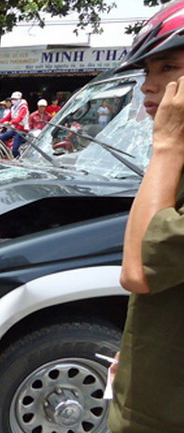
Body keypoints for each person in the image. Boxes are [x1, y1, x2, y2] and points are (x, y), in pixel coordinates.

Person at [110, 1, 184, 432]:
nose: (147, 87)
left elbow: (138, 271)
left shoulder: (171, 153)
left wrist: (167, 147)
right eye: (146, 72)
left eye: (168, 67)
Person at [0, 91, 29, 158]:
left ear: (20, 99)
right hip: (14, 129)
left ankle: (19, 160)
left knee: (14, 149)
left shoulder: (23, 107)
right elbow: (7, 118)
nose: (14, 101)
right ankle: (5, 155)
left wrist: (10, 122)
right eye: (12, 99)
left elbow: (19, 118)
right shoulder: (13, 108)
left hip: (21, 130)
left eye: (15, 99)